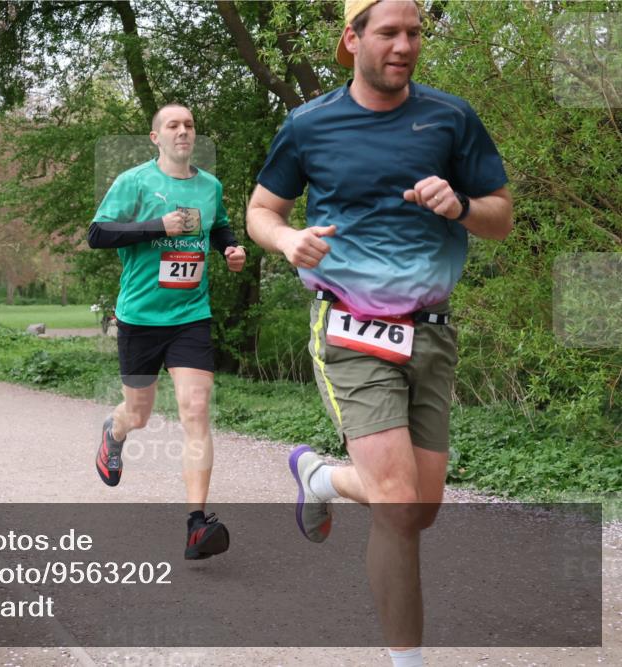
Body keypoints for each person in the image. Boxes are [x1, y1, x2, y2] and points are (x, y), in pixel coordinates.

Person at [245, 1, 513, 664]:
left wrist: (464, 205)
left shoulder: (452, 118)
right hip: (351, 328)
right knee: (396, 504)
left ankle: (322, 478)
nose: (403, 45)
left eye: (414, 33)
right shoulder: (309, 125)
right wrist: (287, 239)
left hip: (432, 333)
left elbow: (502, 216)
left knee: (420, 509)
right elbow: (261, 208)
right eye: (388, 32)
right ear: (352, 38)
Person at [88, 103, 247, 560]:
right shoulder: (134, 182)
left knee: (196, 410)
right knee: (138, 413)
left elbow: (219, 228)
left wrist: (230, 248)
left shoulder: (210, 187)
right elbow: (98, 234)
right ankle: (114, 433)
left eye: (190, 125)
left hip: (190, 316)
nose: (183, 131)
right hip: (139, 317)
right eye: (173, 125)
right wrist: (157, 225)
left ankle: (197, 524)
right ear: (156, 137)